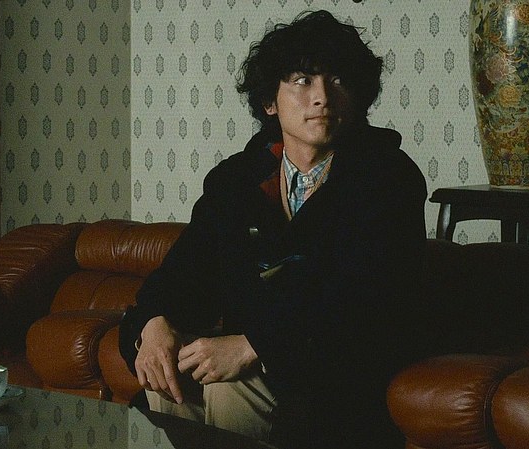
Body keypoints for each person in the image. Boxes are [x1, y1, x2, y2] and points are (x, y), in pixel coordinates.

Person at [119, 9, 427, 448]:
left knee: (230, 386)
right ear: (270, 101)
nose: (322, 97)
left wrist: (254, 346)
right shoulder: (235, 180)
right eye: (302, 80)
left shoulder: (389, 177)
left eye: (338, 80)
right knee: (168, 375)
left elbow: (367, 304)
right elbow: (183, 274)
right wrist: (153, 325)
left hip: (340, 379)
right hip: (259, 371)